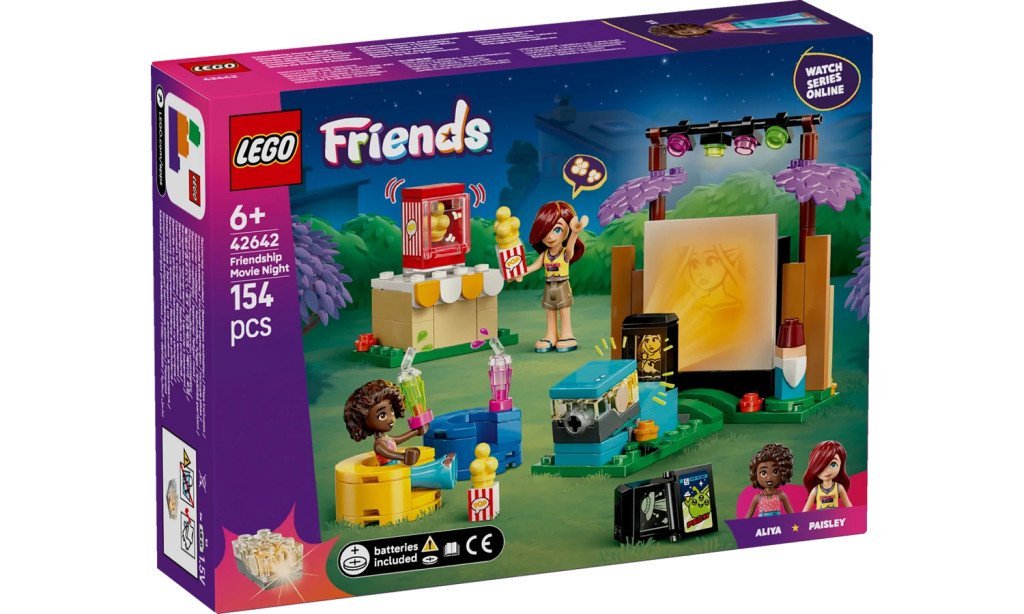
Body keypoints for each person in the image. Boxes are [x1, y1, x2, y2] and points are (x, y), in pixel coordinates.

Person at [343, 379, 456, 489]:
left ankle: (442, 465)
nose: (391, 419)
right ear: (364, 421)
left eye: (391, 411)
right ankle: (442, 471)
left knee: (412, 471)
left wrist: (416, 432)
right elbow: (388, 453)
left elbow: (399, 439)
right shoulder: (379, 444)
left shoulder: (385, 438)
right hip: (389, 474)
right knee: (413, 474)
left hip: (396, 469)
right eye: (382, 415)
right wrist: (403, 456)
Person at [515, 201, 588, 353]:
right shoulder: (545, 254)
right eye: (545, 230)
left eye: (557, 229)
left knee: (564, 310)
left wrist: (575, 232)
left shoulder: (565, 253)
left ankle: (567, 334)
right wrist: (522, 272)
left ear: (566, 230)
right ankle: (551, 335)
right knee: (550, 310)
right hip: (549, 285)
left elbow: (570, 248)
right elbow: (535, 266)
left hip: (562, 284)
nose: (550, 236)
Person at [745, 443, 795, 518]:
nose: (769, 478)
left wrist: (795, 523)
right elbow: (747, 518)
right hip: (762, 524)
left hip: (777, 523)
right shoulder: (758, 498)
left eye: (775, 472)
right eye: (763, 473)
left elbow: (792, 515)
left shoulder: (780, 495)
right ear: (755, 474)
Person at [802, 440, 854, 511]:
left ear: (841, 464)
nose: (827, 471)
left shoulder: (839, 488)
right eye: (822, 466)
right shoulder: (815, 490)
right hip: (820, 517)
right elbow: (805, 511)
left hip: (834, 516)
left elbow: (849, 507)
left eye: (833, 464)